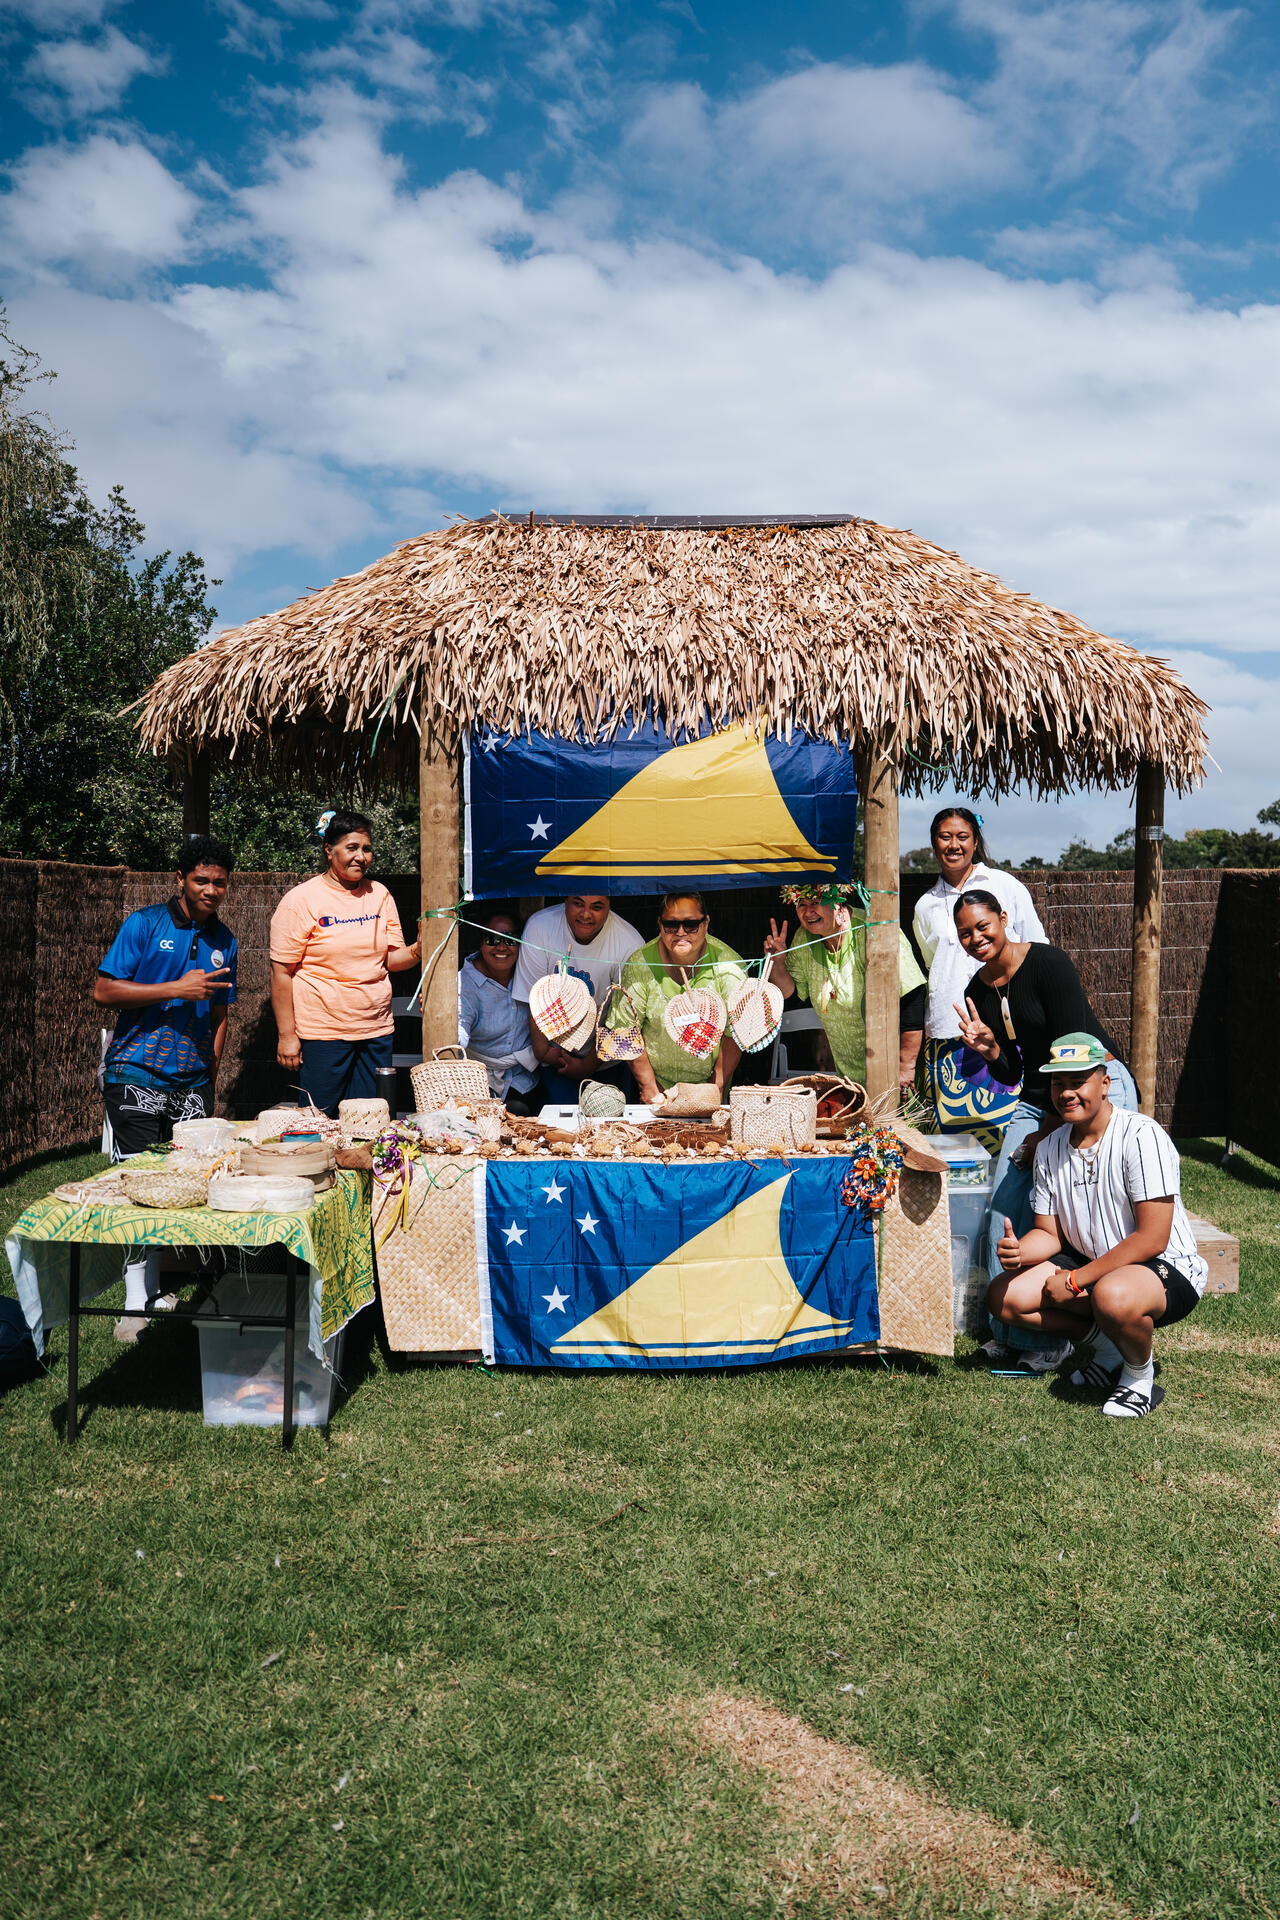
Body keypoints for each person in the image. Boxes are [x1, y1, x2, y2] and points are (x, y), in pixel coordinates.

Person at [951, 889, 1139, 1369]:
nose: (976, 938)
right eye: (965, 933)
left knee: (1090, 1204)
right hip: (1038, 1100)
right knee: (1005, 1205)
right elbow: (1015, 1073)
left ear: (1004, 918)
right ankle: (1013, 1332)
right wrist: (991, 1049)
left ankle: (1087, 1323)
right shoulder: (977, 991)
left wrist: (1047, 1137)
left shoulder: (1049, 964)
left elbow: (1077, 1047)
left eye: (982, 926)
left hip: (1096, 1084)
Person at [990, 1034, 1206, 1416]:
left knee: (1112, 1295)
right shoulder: (1051, 1146)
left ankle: (1139, 1377)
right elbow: (1049, 1232)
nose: (1066, 1093)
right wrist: (1021, 1251)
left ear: (1105, 1084)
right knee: (1005, 1297)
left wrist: (1076, 1281)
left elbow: (1152, 1238)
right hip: (1097, 1266)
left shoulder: (1142, 1135)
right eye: (1059, 1083)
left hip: (1165, 1267)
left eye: (1078, 1082)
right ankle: (1107, 1349)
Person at [94, 835, 238, 1341]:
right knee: (139, 1186)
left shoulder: (227, 940)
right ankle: (136, 1306)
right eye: (202, 879)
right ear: (180, 879)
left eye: (220, 882)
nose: (212, 889)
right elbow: (104, 990)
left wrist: (211, 1071)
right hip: (135, 1073)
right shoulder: (145, 924)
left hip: (193, 1083)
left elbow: (220, 1014)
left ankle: (163, 1287)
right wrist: (176, 988)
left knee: (183, 1187)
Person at [269, 811, 421, 1116]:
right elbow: (281, 974)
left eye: (366, 849)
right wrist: (287, 1036)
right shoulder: (302, 900)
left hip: (376, 1029)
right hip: (324, 1033)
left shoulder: (379, 894)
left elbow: (392, 960)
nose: (361, 857)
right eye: (351, 848)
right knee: (320, 1121)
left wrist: (420, 947)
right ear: (329, 850)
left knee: (371, 1120)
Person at [912, 807, 1046, 1147]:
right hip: (948, 1030)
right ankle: (962, 1200)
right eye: (945, 837)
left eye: (962, 837)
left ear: (975, 842)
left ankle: (1008, 1196)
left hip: (1006, 1026)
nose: (953, 845)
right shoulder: (925, 905)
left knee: (1012, 1128)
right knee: (953, 1140)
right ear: (934, 843)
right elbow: (936, 964)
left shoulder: (1005, 886)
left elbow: (1037, 947)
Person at [763, 883, 926, 1094]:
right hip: (850, 1077)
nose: (808, 911)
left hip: (896, 1072)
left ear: (838, 902)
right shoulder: (804, 938)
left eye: (816, 902)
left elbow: (911, 994)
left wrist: (906, 1065)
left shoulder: (873, 930)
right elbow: (790, 994)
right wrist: (778, 963)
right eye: (801, 903)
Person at [611, 891, 746, 1102]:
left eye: (691, 924)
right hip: (656, 1085)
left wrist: (715, 1087)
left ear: (706, 923)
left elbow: (736, 1032)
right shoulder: (639, 966)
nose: (681, 932)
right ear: (660, 924)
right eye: (671, 925)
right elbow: (624, 1029)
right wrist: (648, 1085)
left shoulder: (729, 968)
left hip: (711, 1082)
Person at [512, 893, 643, 1106]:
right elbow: (534, 996)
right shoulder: (541, 927)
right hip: (553, 1054)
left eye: (597, 906)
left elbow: (622, 1021)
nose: (585, 914)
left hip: (606, 1058)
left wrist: (589, 1065)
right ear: (566, 901)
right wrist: (543, 1051)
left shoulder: (628, 942)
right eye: (578, 904)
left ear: (609, 906)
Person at [458, 910, 541, 1115]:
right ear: (481, 942)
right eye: (492, 939)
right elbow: (459, 1031)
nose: (501, 947)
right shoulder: (465, 983)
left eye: (510, 939)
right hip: (476, 1079)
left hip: (524, 1078)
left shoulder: (531, 971)